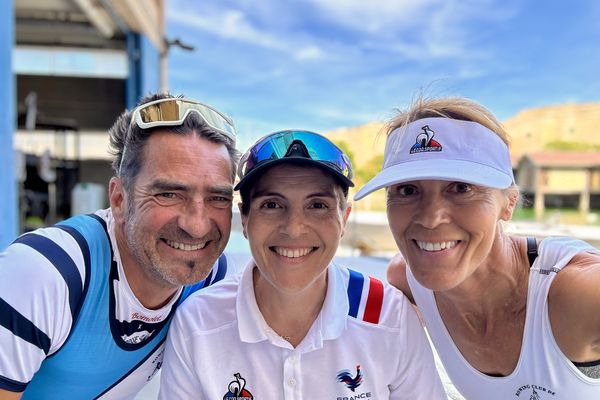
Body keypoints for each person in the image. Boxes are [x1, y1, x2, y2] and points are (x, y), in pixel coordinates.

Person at [158, 129, 446, 399]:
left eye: (317, 206)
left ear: (343, 219)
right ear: (244, 218)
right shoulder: (198, 324)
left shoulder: (389, 316)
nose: (294, 229)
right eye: (272, 205)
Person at [354, 96, 600, 399]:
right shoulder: (406, 280)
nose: (431, 218)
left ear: (507, 204)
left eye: (461, 188)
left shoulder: (579, 292)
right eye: (407, 190)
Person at [0, 94, 240, 399]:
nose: (197, 225)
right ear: (119, 200)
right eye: (168, 194)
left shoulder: (213, 279)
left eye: (217, 198)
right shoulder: (44, 274)